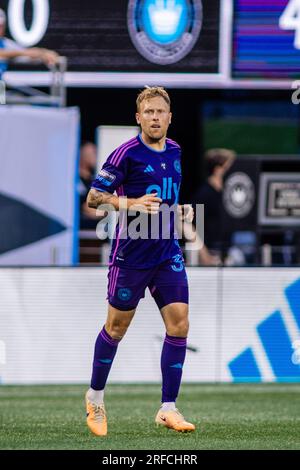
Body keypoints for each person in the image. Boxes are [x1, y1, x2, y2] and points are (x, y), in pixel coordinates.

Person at [85, 86, 195, 436]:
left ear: (169, 116)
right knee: (116, 328)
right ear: (138, 118)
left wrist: (180, 212)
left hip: (166, 251)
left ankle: (168, 408)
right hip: (131, 255)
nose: (155, 117)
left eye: (160, 112)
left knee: (179, 324)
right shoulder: (125, 154)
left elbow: (165, 200)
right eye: (148, 112)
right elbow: (93, 197)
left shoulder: (176, 150)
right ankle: (95, 397)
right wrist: (128, 203)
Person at [192, 148, 236, 263]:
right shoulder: (204, 194)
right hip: (212, 253)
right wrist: (204, 254)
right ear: (218, 170)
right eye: (228, 167)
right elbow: (195, 226)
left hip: (228, 251)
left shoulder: (228, 193)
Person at [0, 8, 60, 78]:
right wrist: (24, 53)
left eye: (0, 26)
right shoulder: (9, 49)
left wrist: (44, 53)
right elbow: (5, 53)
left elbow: (26, 54)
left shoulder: (5, 44)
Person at [78, 142, 101, 230]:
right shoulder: (73, 181)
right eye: (94, 153)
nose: (96, 156)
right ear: (83, 156)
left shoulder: (95, 181)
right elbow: (89, 209)